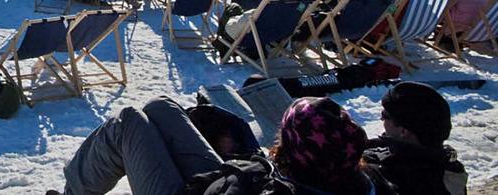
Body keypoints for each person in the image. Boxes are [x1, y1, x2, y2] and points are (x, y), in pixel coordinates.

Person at [61, 95, 393, 195]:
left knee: (129, 122)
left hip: (212, 189)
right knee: (160, 107)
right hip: (227, 179)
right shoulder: (363, 181)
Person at [362, 82, 467, 195]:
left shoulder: (395, 176)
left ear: (404, 131)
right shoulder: (446, 167)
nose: (382, 119)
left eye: (385, 115)